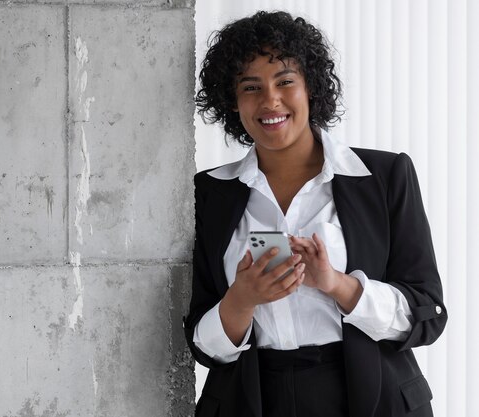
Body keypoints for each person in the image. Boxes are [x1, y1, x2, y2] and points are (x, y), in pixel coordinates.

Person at [184, 11, 447, 417]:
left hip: (373, 399)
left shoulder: (384, 176)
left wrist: (338, 285)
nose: (270, 100)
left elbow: (427, 315)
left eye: (285, 81)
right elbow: (202, 344)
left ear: (311, 88)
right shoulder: (207, 194)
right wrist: (241, 300)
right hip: (252, 400)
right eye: (250, 87)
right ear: (232, 101)